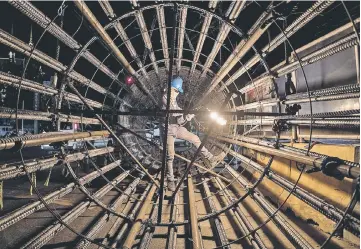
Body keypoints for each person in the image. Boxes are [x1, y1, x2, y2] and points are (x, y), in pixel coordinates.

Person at [162, 77, 226, 191]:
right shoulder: (165, 100)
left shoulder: (172, 100)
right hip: (168, 130)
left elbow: (178, 115)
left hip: (176, 128)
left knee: (195, 138)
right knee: (170, 155)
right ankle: (170, 180)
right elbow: (177, 119)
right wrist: (187, 117)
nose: (177, 93)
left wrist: (189, 113)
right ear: (171, 89)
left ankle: (211, 158)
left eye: (177, 92)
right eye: (176, 91)